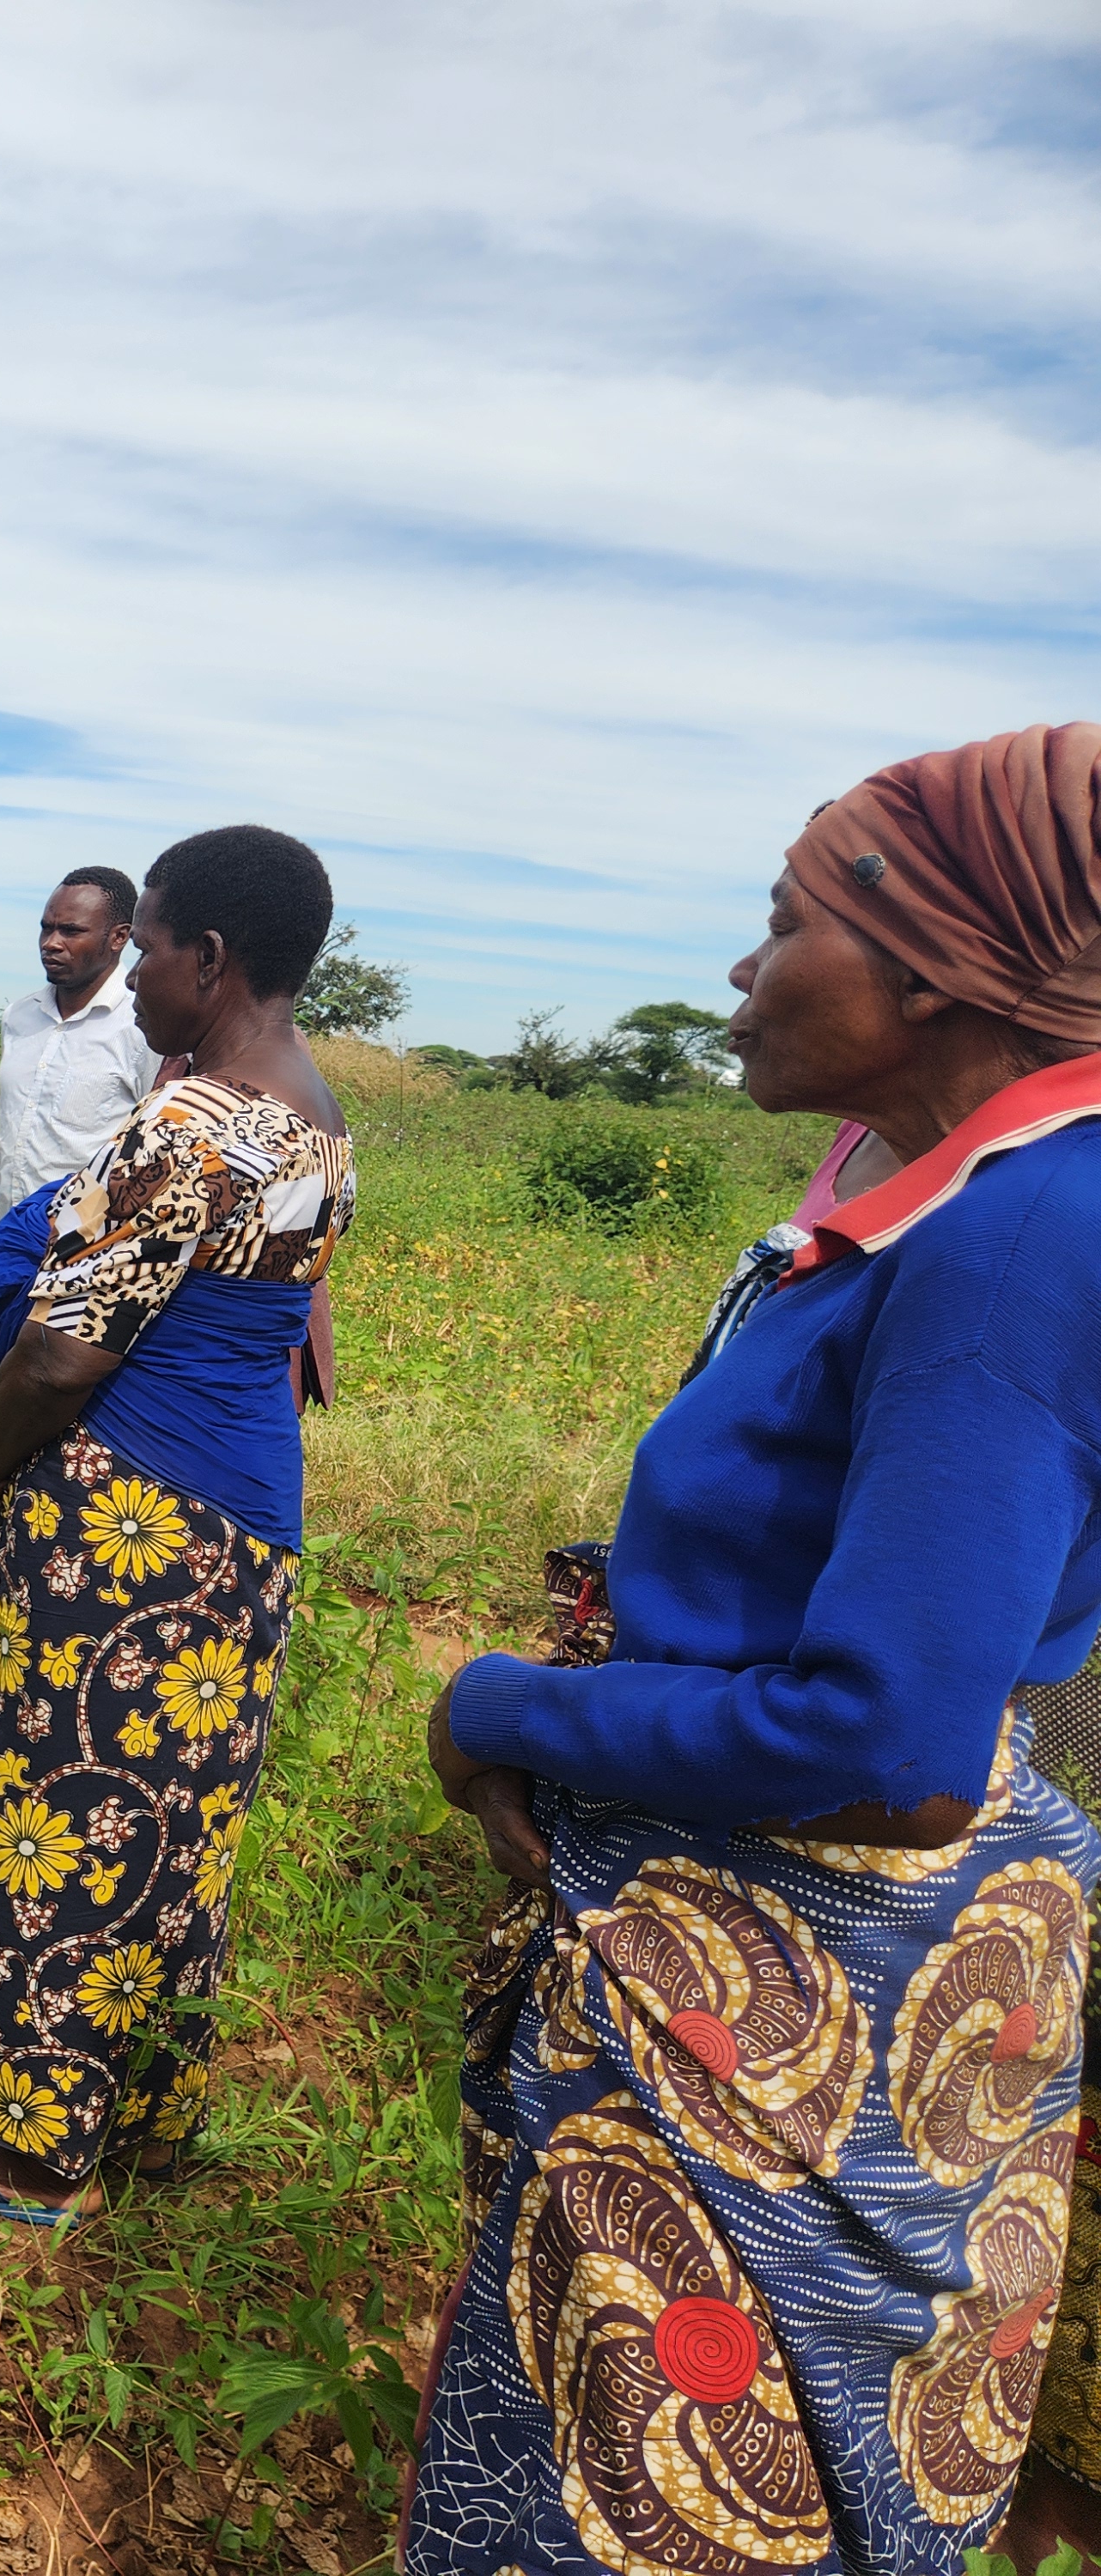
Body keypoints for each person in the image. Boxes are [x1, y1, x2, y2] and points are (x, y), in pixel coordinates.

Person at [409, 724, 1101, 2575]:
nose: (741, 965)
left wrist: (504, 1707)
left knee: (677, 2494)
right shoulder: (980, 1193)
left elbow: (884, 1739)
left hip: (803, 1989)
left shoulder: (1016, 1232)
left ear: (934, 966)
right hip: (844, 1976)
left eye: (784, 920)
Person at [0, 826, 352, 2222]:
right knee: (172, 1826)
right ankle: (138, 2110)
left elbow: (69, 1348)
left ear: (212, 957)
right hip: (242, 1516)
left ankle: (24, 2145)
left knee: (78, 1811)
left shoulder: (190, 1124)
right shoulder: (313, 1112)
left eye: (151, 948)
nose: (133, 976)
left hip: (140, 1518)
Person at [0, 868, 166, 1598]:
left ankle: (34, 1611)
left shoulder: (141, 1029)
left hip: (82, 1284)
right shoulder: (21, 1017)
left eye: (71, 930)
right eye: (46, 926)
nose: (52, 942)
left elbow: (147, 1161)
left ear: (119, 937)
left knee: (64, 1455)